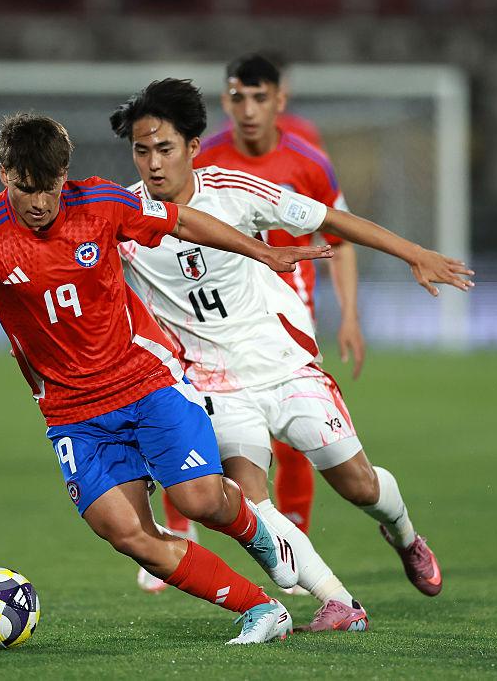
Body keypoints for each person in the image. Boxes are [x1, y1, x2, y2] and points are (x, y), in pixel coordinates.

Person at [0, 112, 335, 645]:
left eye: (48, 188)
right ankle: (262, 610)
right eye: (23, 188)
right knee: (128, 533)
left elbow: (181, 220)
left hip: (144, 383)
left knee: (199, 501)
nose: (37, 203)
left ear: (66, 176)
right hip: (73, 415)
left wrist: (262, 250)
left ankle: (265, 538)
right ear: (3, 172)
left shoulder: (101, 203)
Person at [110, 79, 473, 631]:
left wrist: (414, 253)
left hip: (281, 365)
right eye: (142, 150)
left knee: (360, 486)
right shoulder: (120, 218)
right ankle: (338, 602)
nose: (154, 164)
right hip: (213, 386)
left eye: (165, 149)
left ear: (193, 148)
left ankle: (403, 534)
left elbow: (330, 219)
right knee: (251, 501)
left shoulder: (235, 191)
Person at [157, 52, 364, 563]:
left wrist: (351, 315)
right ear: (225, 100)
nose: (246, 109)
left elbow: (339, 236)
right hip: (212, 311)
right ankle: (181, 530)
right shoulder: (203, 158)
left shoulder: (307, 158)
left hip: (289, 308)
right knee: (185, 412)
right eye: (236, 97)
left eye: (258, 97)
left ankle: (297, 542)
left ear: (279, 100)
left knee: (297, 440)